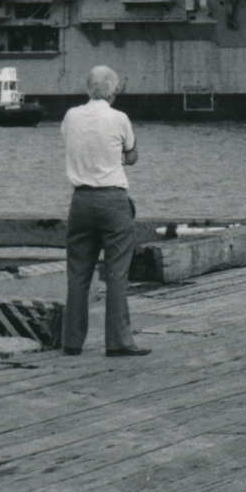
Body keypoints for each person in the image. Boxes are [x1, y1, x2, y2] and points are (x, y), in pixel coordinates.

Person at [60, 65, 149, 357]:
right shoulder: (119, 117)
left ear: (88, 89)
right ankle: (118, 341)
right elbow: (132, 156)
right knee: (116, 273)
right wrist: (120, 154)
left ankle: (72, 341)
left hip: (80, 201)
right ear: (114, 91)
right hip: (113, 200)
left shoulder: (70, 116)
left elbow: (72, 143)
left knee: (78, 273)